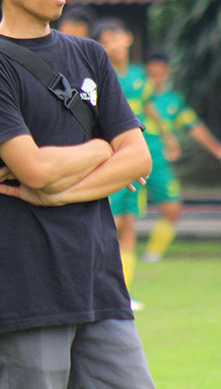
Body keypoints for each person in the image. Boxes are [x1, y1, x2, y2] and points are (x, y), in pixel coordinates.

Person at [0, 0, 154, 388]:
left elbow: (140, 157)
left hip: (99, 283)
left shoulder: (90, 56)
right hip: (26, 290)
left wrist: (60, 190)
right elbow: (34, 169)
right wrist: (102, 150)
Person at [141, 49, 221, 262]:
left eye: (159, 73)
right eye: (151, 74)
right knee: (119, 215)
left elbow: (194, 127)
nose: (155, 79)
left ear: (167, 73)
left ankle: (152, 254)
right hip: (132, 160)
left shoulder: (174, 101)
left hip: (159, 163)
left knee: (173, 208)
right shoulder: (134, 95)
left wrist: (218, 149)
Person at [91, 17, 155, 305]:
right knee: (110, 225)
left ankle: (123, 293)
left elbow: (149, 107)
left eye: (116, 38)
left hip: (135, 159)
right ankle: (99, 288)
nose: (113, 45)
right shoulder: (101, 78)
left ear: (128, 38)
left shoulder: (141, 76)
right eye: (106, 41)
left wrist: (168, 135)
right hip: (111, 159)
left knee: (128, 223)